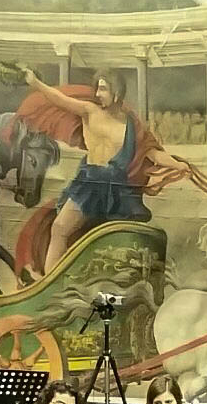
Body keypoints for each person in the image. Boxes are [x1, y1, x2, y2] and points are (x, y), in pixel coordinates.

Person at [22, 68, 190, 275]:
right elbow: (60, 100)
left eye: (103, 89)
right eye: (97, 88)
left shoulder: (132, 125)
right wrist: (36, 83)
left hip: (117, 188)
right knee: (59, 228)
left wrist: (178, 165)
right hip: (89, 184)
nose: (97, 94)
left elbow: (153, 154)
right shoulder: (89, 111)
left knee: (113, 242)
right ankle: (50, 281)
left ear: (116, 92)